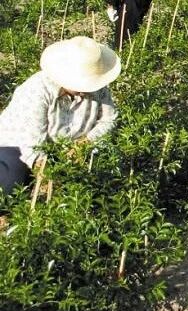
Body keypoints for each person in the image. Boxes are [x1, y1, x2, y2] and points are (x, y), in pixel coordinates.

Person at [0, 36, 120, 196]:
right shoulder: (37, 90)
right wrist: (47, 175)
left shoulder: (99, 90)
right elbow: (32, 143)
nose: (86, 88)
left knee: (103, 184)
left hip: (67, 149)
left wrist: (85, 144)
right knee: (8, 182)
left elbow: (109, 120)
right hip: (18, 147)